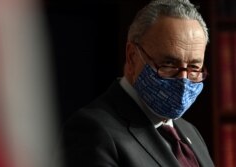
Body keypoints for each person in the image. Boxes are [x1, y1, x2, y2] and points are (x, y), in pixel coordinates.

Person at [62, 0, 214, 166]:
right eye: (169, 64)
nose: (183, 80)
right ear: (132, 56)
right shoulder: (92, 131)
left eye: (193, 67)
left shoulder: (189, 131)